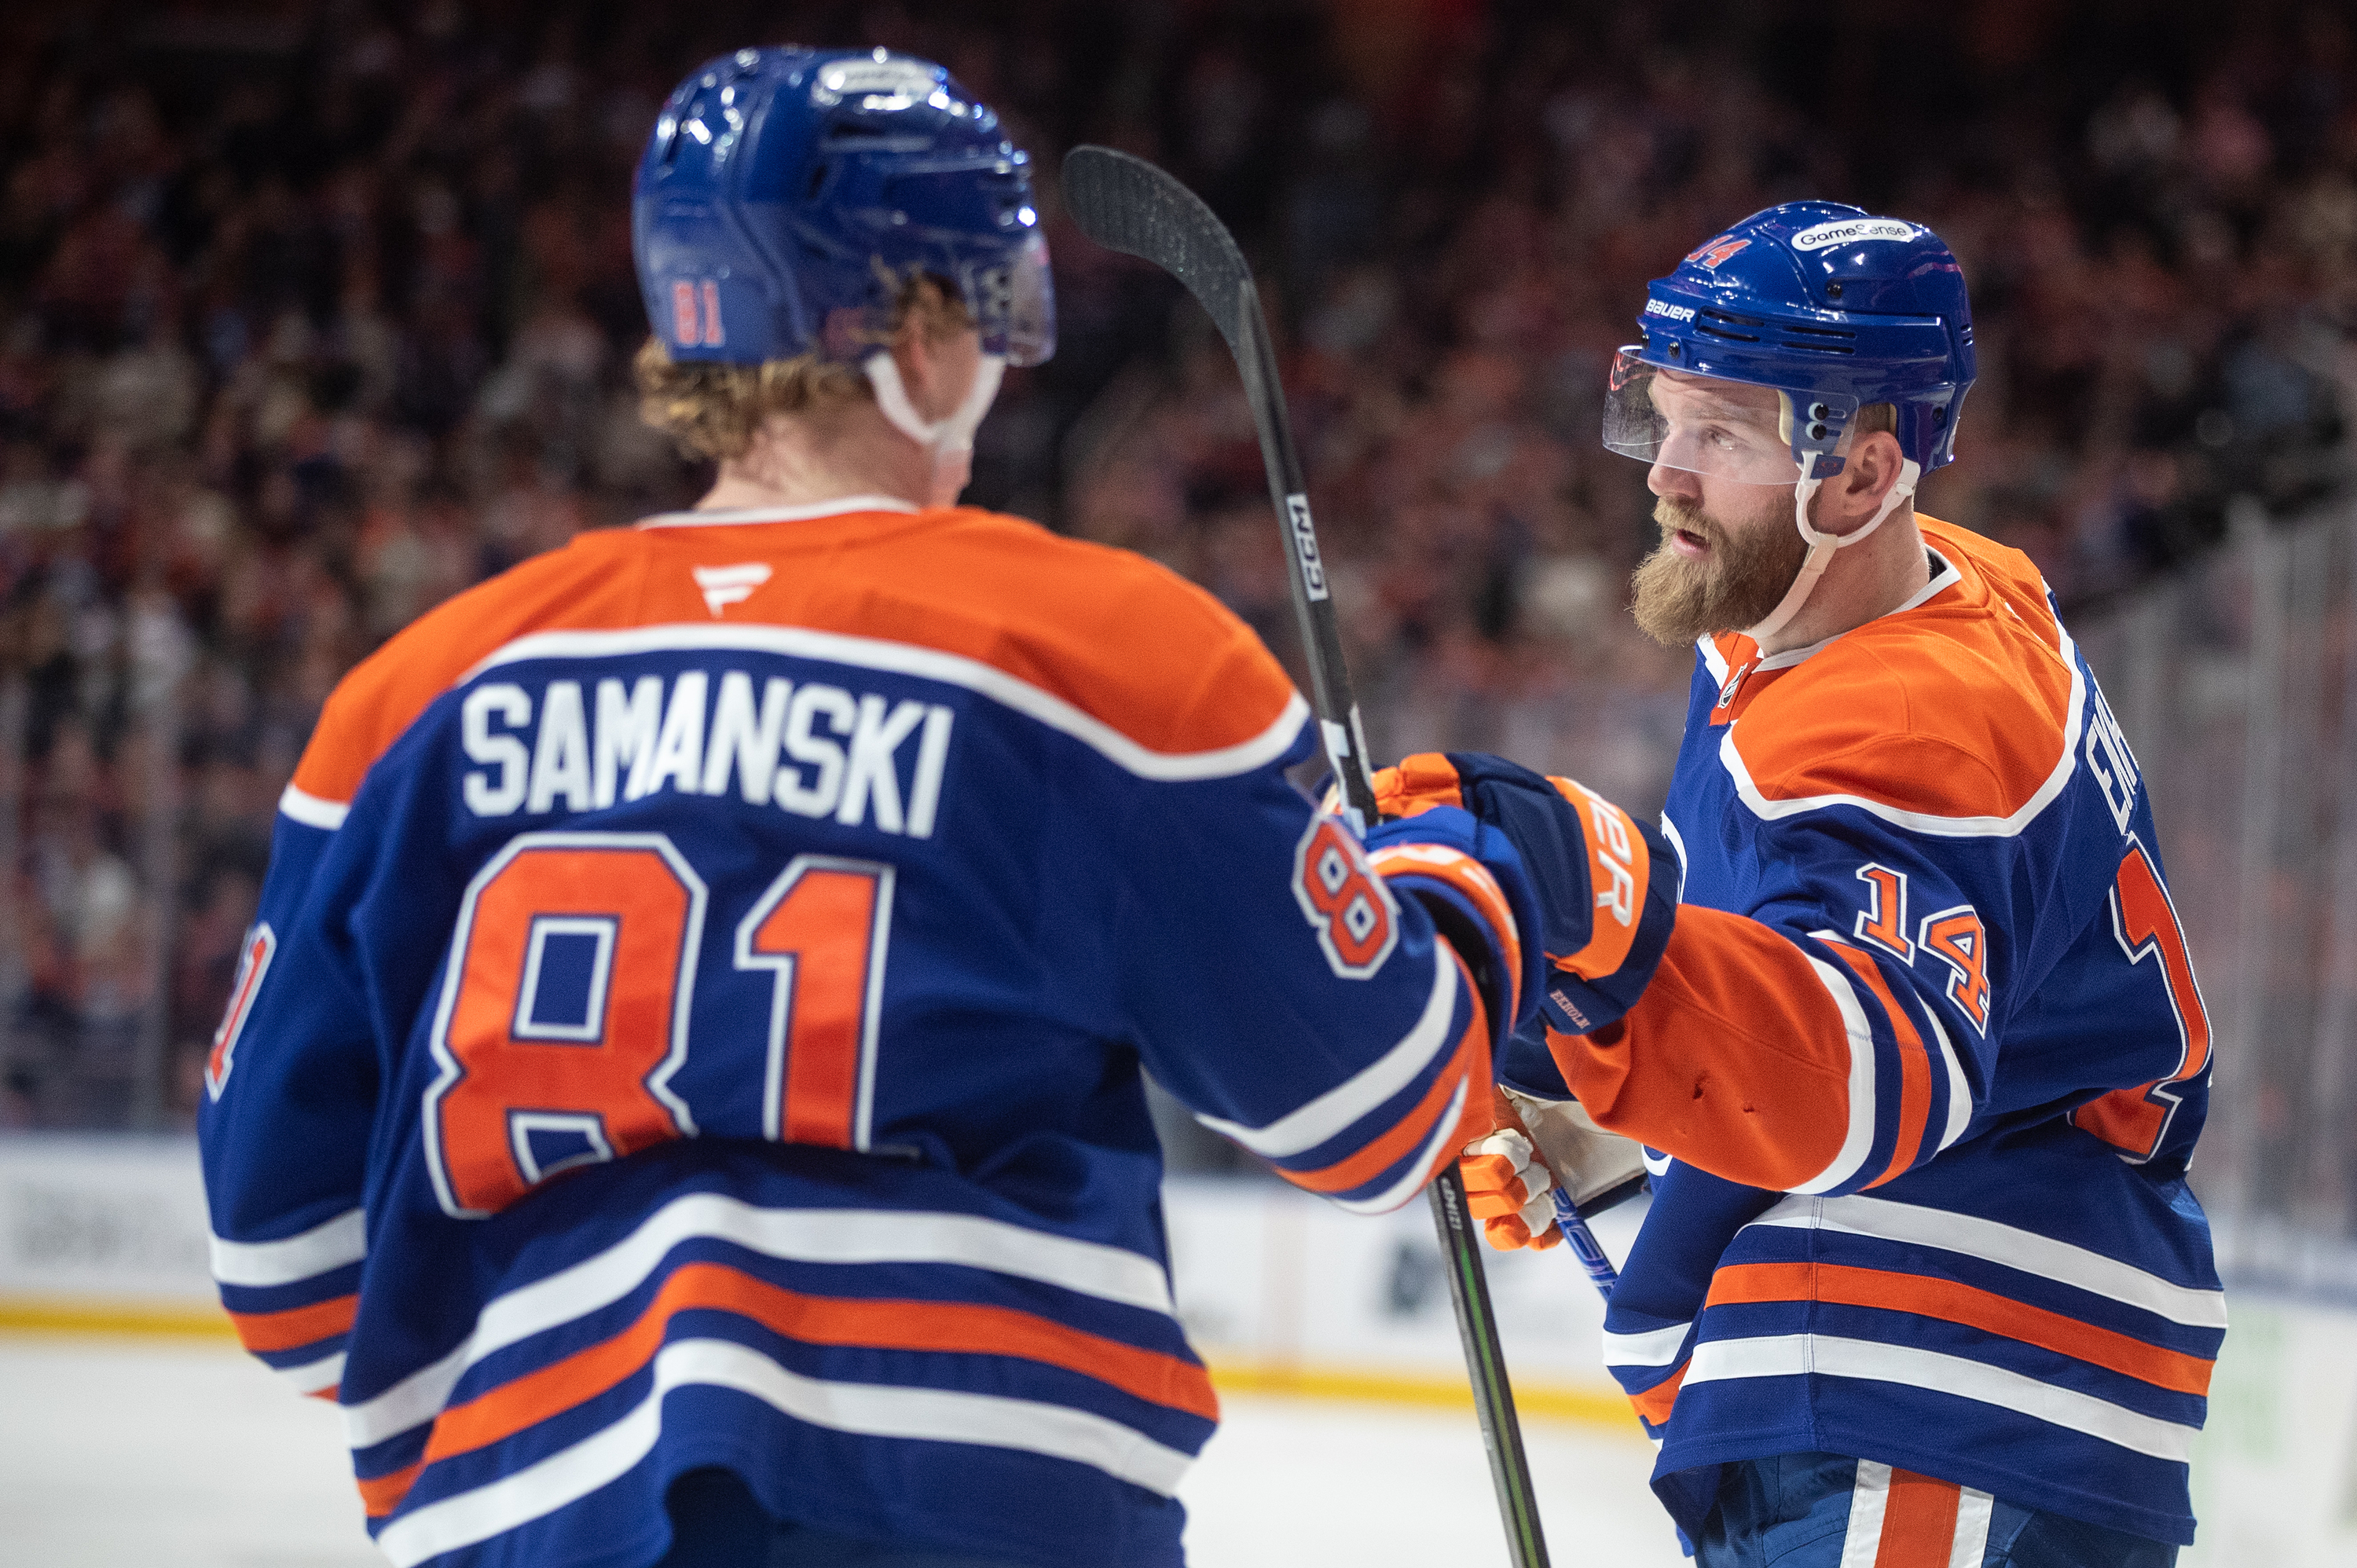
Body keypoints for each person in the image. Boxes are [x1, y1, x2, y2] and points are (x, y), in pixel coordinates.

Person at [196, 46, 1541, 1568]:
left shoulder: (413, 694)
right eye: (986, 299)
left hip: (530, 1509)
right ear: (915, 327)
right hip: (966, 1494)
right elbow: (1379, 1109)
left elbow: (286, 1275)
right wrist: (1451, 887)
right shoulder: (1100, 650)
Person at [1398, 203, 2221, 1567]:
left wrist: (1584, 909)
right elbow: (1821, 955)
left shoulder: (1901, 719)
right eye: (1660, 418)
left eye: (1720, 435)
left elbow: (1868, 1076)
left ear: (1860, 476)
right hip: (1923, 1382)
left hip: (1934, 1371)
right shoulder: (1898, 608)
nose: (1665, 474)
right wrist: (1624, 1121)